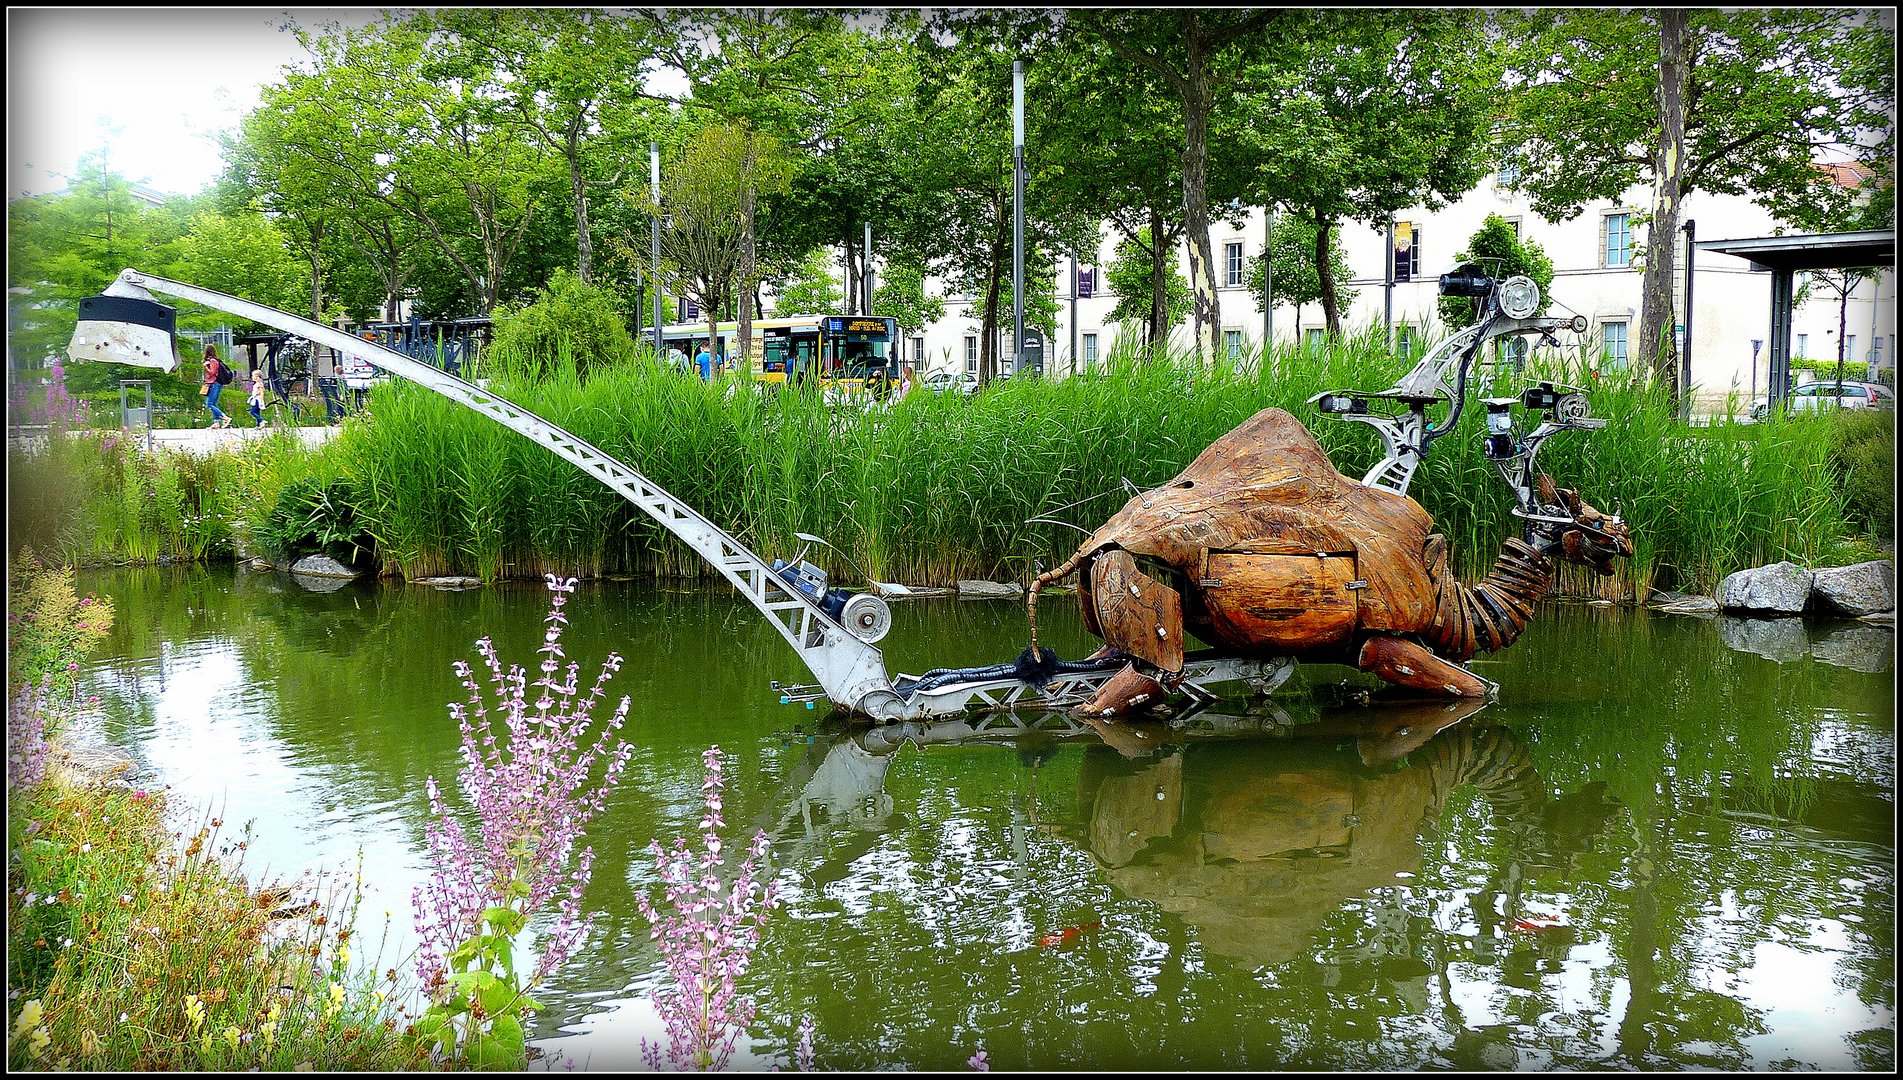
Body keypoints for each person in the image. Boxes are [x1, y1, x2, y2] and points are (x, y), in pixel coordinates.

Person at [201, 345, 231, 428]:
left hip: (215, 384)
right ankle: (216, 422)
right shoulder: (212, 360)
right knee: (214, 403)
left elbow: (212, 372)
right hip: (214, 384)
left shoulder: (213, 361)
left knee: (209, 404)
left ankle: (225, 417)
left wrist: (206, 367)